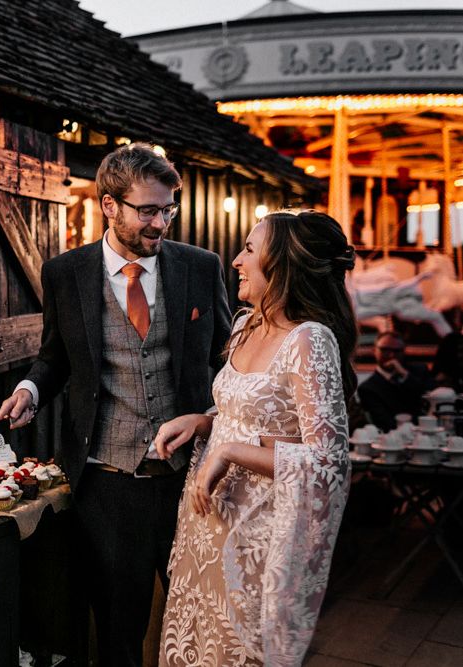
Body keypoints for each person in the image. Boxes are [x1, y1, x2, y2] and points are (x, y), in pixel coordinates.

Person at [0, 143, 232, 665]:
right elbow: (55, 356)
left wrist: (213, 421)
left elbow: (229, 361)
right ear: (109, 205)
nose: (160, 223)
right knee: (117, 635)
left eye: (168, 209)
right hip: (107, 485)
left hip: (190, 482)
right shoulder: (65, 273)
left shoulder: (200, 267)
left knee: (203, 628)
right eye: (147, 210)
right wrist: (29, 391)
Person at [155, 210, 357, 667]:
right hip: (206, 526)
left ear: (282, 264)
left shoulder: (310, 340)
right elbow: (248, 411)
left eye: (249, 249)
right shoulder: (246, 325)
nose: (236, 261)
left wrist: (229, 451)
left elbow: (329, 460)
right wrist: (204, 423)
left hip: (256, 540)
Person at [358, 330, 434, 431]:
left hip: (428, 430)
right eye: (385, 350)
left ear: (404, 351)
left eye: (397, 351)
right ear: (374, 351)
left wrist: (405, 376)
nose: (391, 355)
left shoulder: (420, 371)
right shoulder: (368, 388)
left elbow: (431, 399)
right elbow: (384, 422)